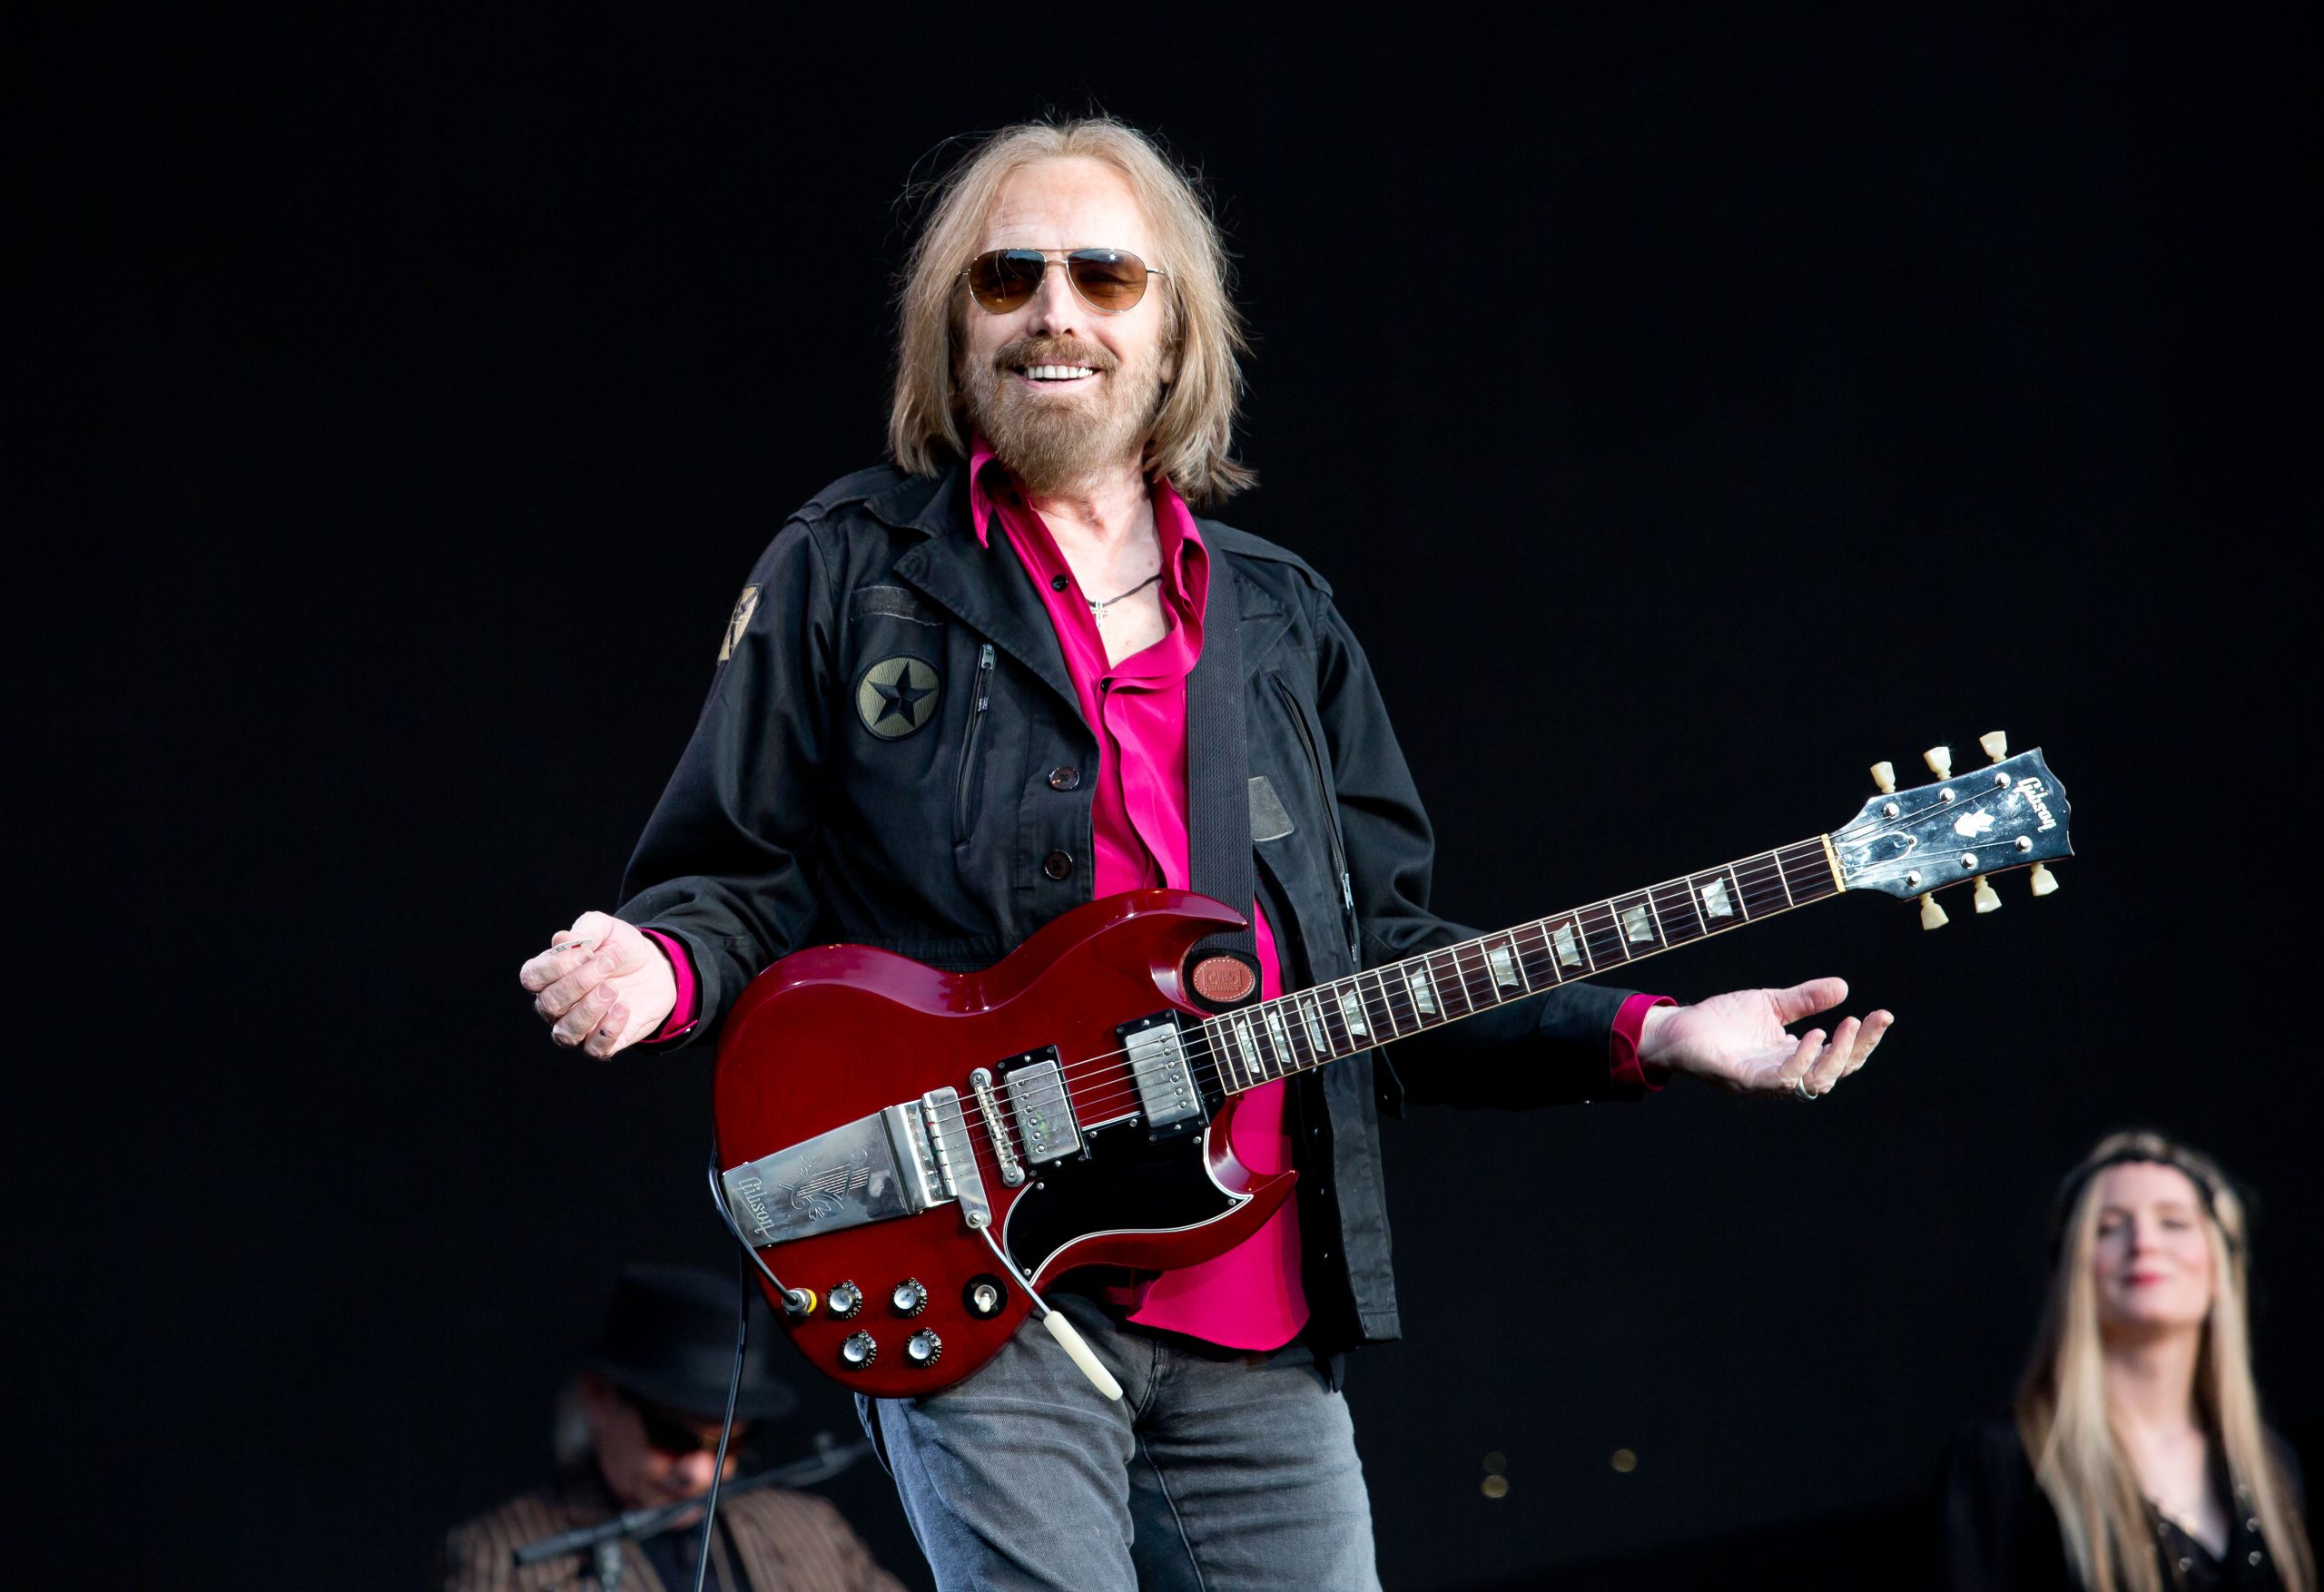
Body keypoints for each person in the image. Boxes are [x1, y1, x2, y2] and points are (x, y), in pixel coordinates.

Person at [517, 116, 1893, 1591]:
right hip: (983, 1264)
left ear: (1173, 328)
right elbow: (731, 869)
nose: (1055, 311)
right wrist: (658, 964)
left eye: (1105, 276)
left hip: (1253, 1294)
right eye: (1008, 277)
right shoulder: (853, 568)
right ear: (954, 327)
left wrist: (1661, 1030)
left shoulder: (1283, 619)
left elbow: (1379, 963)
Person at [1943, 1131, 2313, 1591]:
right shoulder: (2003, 1463)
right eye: (2108, 1227)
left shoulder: (2273, 1468)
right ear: (2072, 1272)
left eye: (2173, 1223)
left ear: (2220, 1266)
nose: (2143, 1243)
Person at [441, 1263, 904, 1592]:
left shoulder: (811, 1527)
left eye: (730, 1442)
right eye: (673, 1437)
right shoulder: (500, 1554)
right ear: (598, 1397)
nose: (699, 1472)